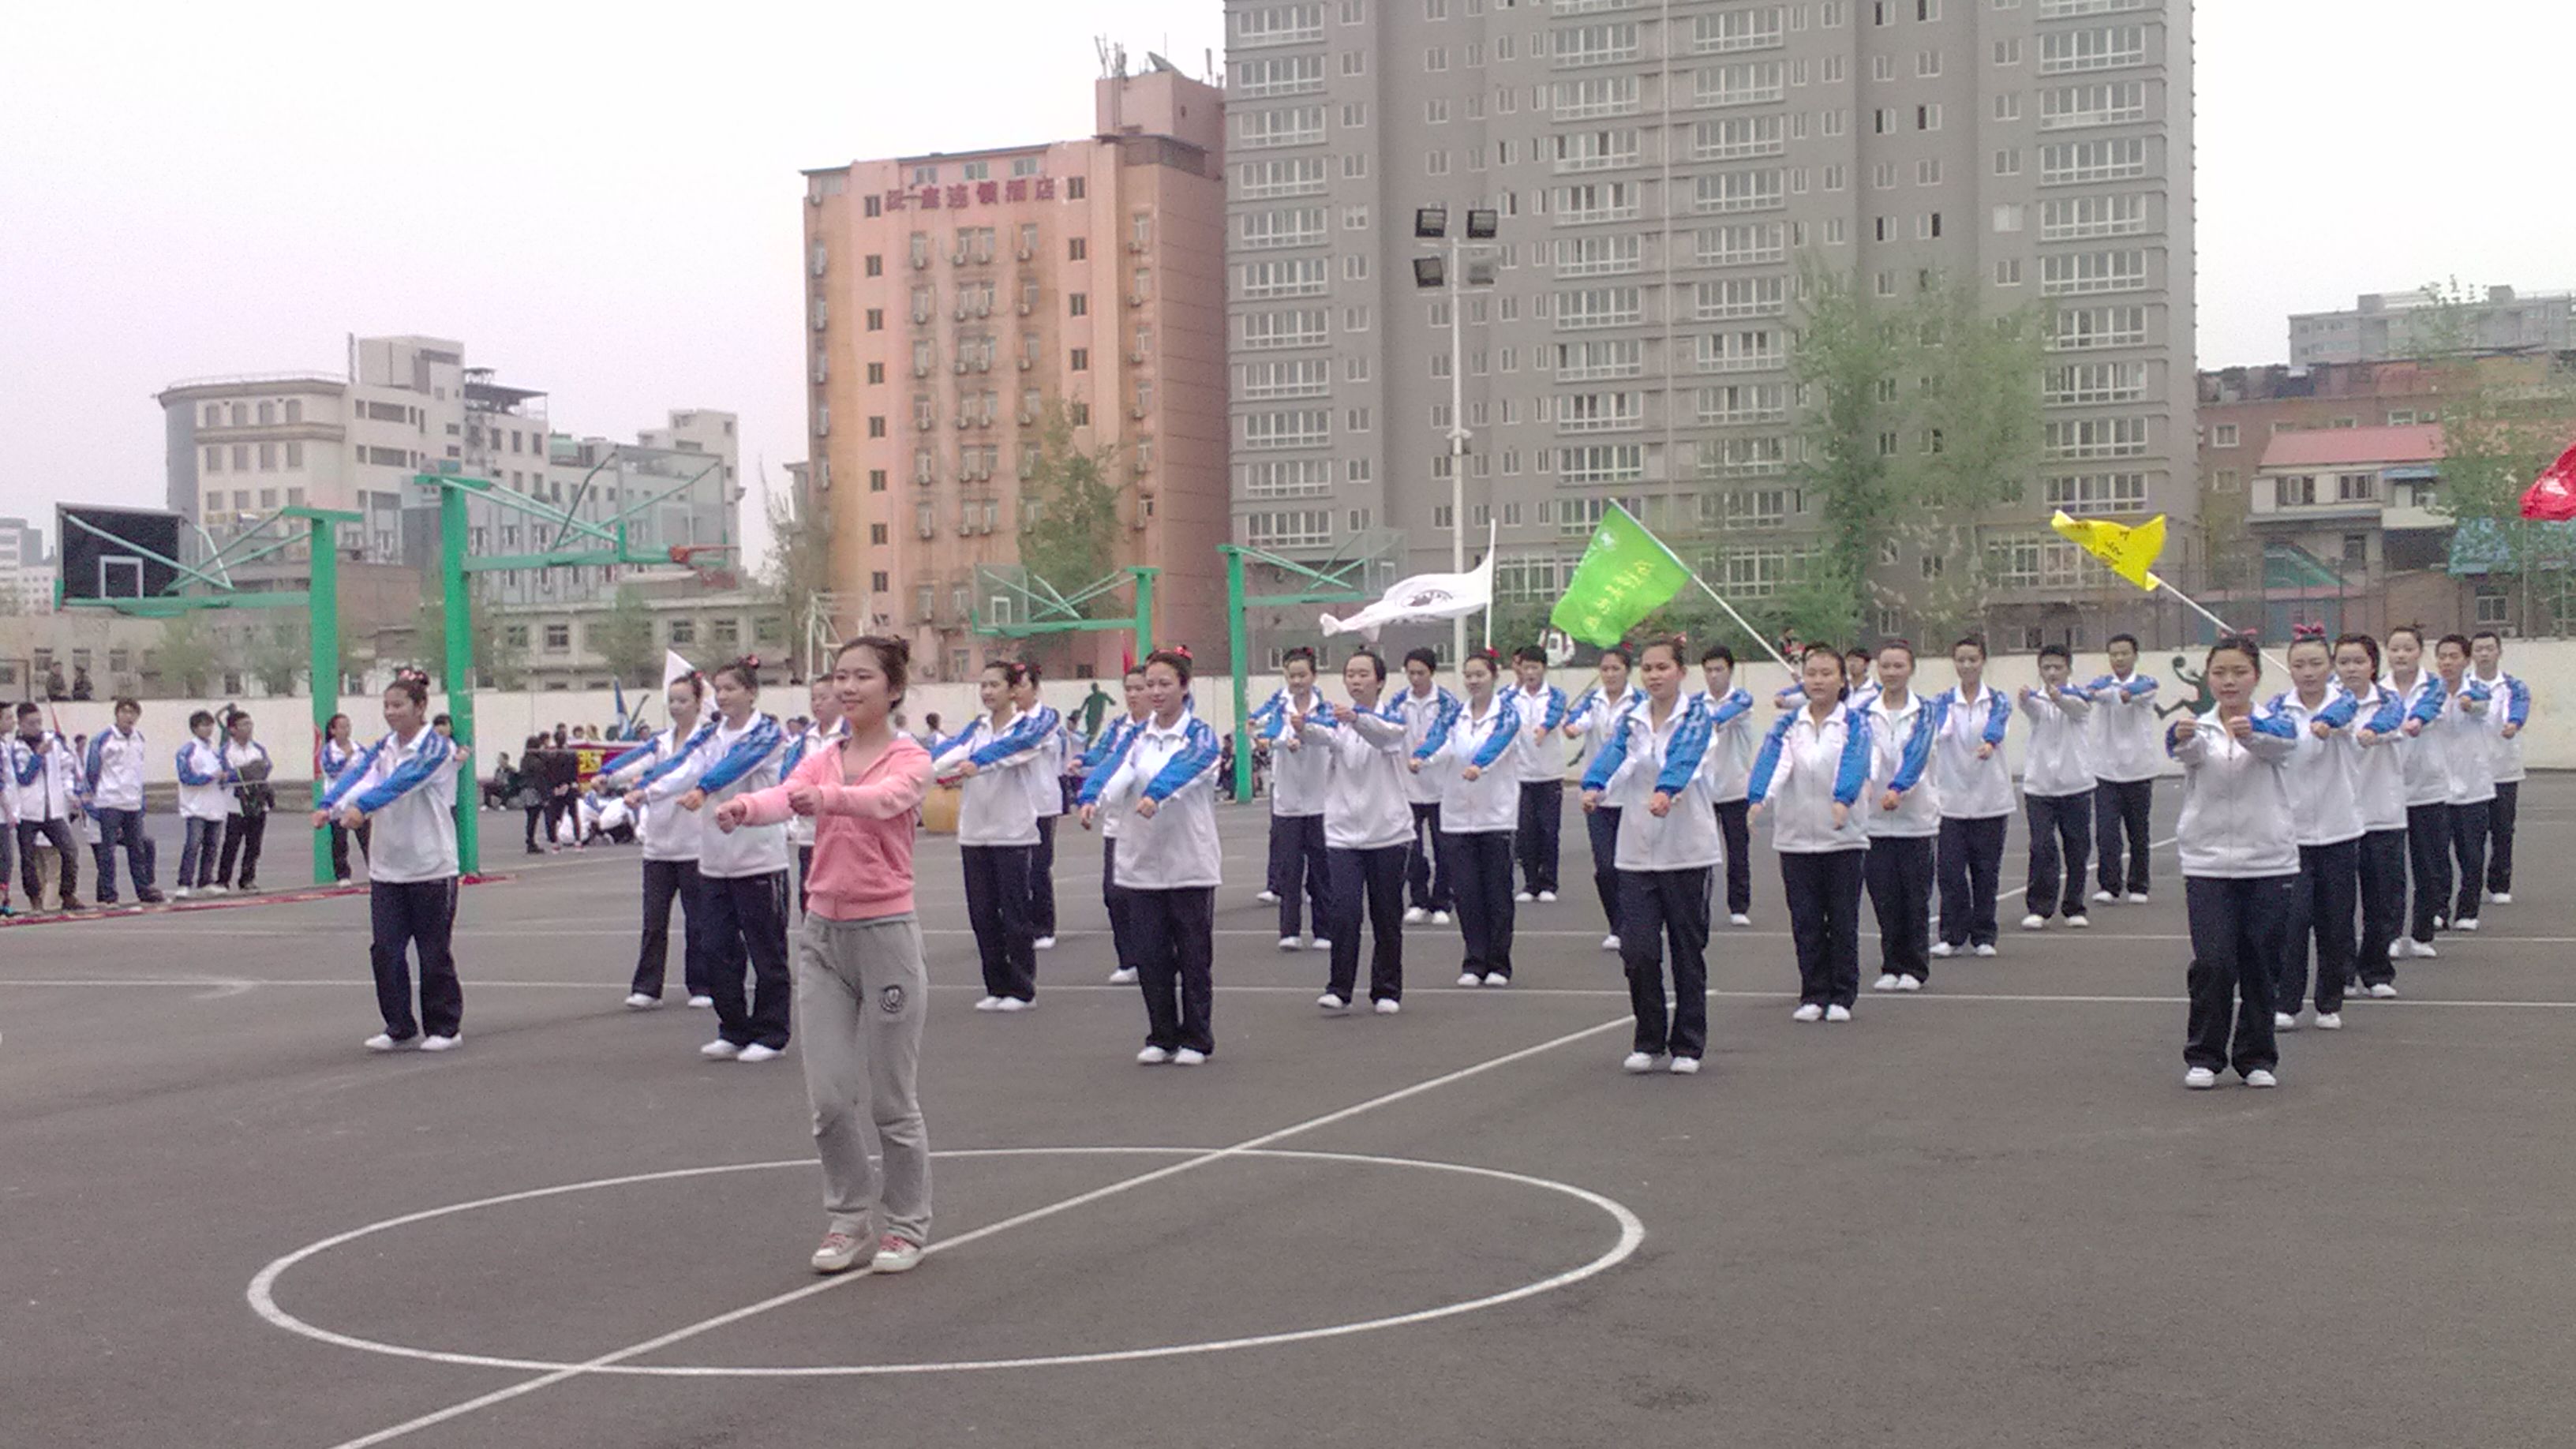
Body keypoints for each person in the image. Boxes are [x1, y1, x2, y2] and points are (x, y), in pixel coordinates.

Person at [716, 635, 934, 1277]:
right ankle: (848, 1216)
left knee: (892, 1100)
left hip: (886, 934)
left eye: (862, 677)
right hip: (822, 936)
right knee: (831, 1100)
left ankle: (906, 1224)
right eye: (840, 676)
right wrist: (744, 808)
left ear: (893, 688)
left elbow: (885, 800)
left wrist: (831, 798)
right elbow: (786, 796)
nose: (847, 687)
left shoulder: (910, 758)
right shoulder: (820, 757)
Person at [1582, 637, 1719, 1074]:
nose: (1655, 675)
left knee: (1686, 950)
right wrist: (1595, 786)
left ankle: (1688, 1044)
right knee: (1638, 951)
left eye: (1663, 667)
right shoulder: (1632, 719)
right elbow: (1615, 758)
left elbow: (1687, 760)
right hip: (1637, 852)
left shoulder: (1697, 717)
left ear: (1681, 672)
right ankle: (1648, 1038)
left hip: (1686, 851)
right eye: (1648, 668)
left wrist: (1667, 791)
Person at [1082, 648, 1223, 1065]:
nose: (1156, 692)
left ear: (1184, 686)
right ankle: (1162, 1035)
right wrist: (1092, 798)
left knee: (1193, 956)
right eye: (1150, 685)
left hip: (1188, 862)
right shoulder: (1135, 738)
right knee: (1151, 955)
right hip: (1140, 862)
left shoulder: (1201, 736)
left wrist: (1156, 795)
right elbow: (1115, 769)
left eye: (1165, 684)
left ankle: (1196, 1037)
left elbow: (1188, 767)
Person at [2167, 635, 2296, 1090]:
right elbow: (2183, 752)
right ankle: (2204, 1054)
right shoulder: (2197, 728)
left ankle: (2257, 1056)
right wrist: (2182, 737)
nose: (2229, 681)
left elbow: (2281, 746)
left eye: (2239, 672)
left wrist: (2251, 733)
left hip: (2268, 861)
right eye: (2220, 672)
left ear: (2256, 677)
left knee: (2261, 961)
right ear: (2208, 678)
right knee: (2214, 962)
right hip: (2207, 863)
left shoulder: (2276, 723)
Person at [315, 670, 465, 1053]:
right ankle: (399, 1024)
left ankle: (445, 1026)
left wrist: (362, 808)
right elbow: (359, 775)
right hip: (387, 866)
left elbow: (402, 782)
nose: (391, 712)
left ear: (420, 706)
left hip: (431, 866)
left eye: (398, 705)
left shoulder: (436, 748)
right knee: (385, 949)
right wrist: (331, 805)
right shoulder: (383, 747)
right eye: (386, 706)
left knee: (433, 951)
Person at [668, 658, 793, 1061]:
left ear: (751, 692)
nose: (722, 696)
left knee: (766, 951)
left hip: (759, 859)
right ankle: (733, 1028)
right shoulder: (709, 734)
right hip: (713, 859)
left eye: (730, 689)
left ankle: (771, 1033)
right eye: (718, 689)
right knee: (717, 949)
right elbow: (682, 766)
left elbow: (734, 767)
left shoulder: (768, 734)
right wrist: (640, 786)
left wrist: (703, 789)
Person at [1748, 644, 1871, 1022]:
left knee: (1842, 920)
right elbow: (1774, 762)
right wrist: (1759, 797)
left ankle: (1842, 995)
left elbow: (1855, 762)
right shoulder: (1787, 725)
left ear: (1842, 680)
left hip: (1843, 839)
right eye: (1811, 674)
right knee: (1806, 920)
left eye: (1826, 674)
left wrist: (1843, 799)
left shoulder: (1854, 723)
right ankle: (1814, 992)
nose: (1818, 681)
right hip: (1796, 838)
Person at [2266, 627, 2365, 1034]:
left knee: (2335, 923)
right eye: (2299, 665)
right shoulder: (2278, 709)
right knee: (2292, 923)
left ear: (2330, 667)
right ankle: (2286, 1002)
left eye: (2316, 664)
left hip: (2340, 830)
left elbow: (2345, 719)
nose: (2308, 672)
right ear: (2289, 669)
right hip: (2292, 835)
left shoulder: (2346, 704)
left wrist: (2327, 724)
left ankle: (2329, 1001)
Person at [599, 672, 713, 1009]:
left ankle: (702, 985)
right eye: (672, 701)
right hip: (659, 847)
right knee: (653, 921)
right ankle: (647, 987)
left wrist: (645, 791)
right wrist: (607, 775)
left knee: (698, 921)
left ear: (698, 703)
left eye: (683, 700)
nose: (676, 707)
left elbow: (682, 775)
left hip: (694, 845)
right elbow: (634, 760)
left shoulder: (705, 742)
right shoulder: (661, 742)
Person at [1412, 647, 1522, 987]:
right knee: (1467, 893)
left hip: (1495, 816)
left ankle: (1499, 963)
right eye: (1469, 675)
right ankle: (1474, 961)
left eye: (1480, 675)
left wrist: (1479, 766)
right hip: (1458, 815)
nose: (1474, 681)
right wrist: (1422, 757)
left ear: (1494, 676)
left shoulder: (1508, 714)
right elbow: (1440, 742)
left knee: (1497, 893)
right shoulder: (1455, 715)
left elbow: (1499, 745)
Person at [936, 661, 1043, 1011]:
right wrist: (917, 770)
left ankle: (1022, 989)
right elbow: (949, 754)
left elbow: (1010, 752)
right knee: (982, 915)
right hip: (974, 833)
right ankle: (996, 986)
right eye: (983, 685)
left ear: (1013, 690)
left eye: (994, 685)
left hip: (1012, 834)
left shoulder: (1027, 728)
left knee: (1015, 915)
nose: (987, 692)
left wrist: (977, 763)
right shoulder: (977, 728)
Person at [1313, 650, 1413, 1014]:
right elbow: (1320, 734)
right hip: (1344, 833)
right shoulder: (1336, 719)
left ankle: (1386, 989)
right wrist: (1300, 727)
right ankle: (1339, 987)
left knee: (1386, 915)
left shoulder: (1394, 715)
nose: (1355, 681)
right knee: (1344, 911)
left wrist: (1356, 719)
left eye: (1363, 674)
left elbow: (1386, 738)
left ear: (1380, 681)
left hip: (1387, 832)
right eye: (1350, 674)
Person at [1857, 642, 1940, 994]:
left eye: (1898, 666)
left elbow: (1917, 756)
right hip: (1874, 820)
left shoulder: (1927, 711)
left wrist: (1898, 789)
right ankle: (1891, 964)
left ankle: (1915, 967)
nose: (1891, 673)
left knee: (1914, 898)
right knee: (1884, 897)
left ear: (1911, 669)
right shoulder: (1863, 712)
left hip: (1916, 820)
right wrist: (1865, 787)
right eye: (1886, 666)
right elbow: (1862, 754)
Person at [1930, 635, 2014, 958]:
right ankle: (1952, 934)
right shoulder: (1942, 702)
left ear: (1983, 661)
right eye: (1961, 660)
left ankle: (1984, 935)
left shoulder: (1997, 700)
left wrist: (1989, 743)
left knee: (1985, 871)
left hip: (1989, 798)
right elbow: (1937, 731)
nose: (1966, 666)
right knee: (1950, 872)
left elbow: (1997, 727)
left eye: (1973, 660)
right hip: (1950, 799)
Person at [2336, 634, 2407, 998]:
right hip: (2338, 818)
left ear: (2373, 665)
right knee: (2338, 905)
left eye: (2358, 661)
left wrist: (2372, 732)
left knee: (2382, 901)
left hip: (2382, 814)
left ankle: (2377, 971)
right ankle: (2342, 973)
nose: (2351, 669)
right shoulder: (2327, 704)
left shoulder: (2389, 702)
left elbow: (2394, 724)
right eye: (2344, 662)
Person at [1249, 647, 1334, 950]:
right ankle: (1289, 931)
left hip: (1320, 799)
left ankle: (1324, 931)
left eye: (1302, 675)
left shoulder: (1325, 708)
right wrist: (1282, 740)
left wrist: (1305, 732)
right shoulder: (1278, 707)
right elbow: (1256, 727)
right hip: (1287, 801)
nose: (1297, 681)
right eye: (1292, 675)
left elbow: (1331, 734)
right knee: (1290, 869)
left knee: (1322, 869)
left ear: (1314, 676)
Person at [1075, 666, 1152, 987]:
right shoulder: (1119, 727)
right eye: (1128, 689)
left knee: (1146, 895)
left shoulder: (1157, 729)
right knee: (1114, 894)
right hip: (1115, 823)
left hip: (1147, 822)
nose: (1133, 695)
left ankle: (1154, 956)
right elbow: (1102, 755)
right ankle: (1128, 959)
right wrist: (1083, 762)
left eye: (1139, 688)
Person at [2417, 634, 2496, 936]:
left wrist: (2470, 705)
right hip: (2438, 787)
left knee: (2471, 855)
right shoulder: (2429, 693)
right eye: (2442, 657)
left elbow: (2482, 706)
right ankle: (2439, 909)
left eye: (2454, 657)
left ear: (2466, 660)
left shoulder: (2477, 690)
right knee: (2436, 856)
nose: (2447, 662)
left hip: (2473, 786)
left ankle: (2468, 910)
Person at [1563, 646, 1640, 952]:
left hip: (1630, 794)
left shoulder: (1639, 703)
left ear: (1627, 671)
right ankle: (1617, 924)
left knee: (1630, 866)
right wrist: (1572, 728)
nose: (1610, 674)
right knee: (1605, 866)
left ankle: (1634, 923)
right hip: (1596, 796)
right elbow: (1577, 721)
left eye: (1615, 669)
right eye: (1605, 669)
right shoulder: (1592, 701)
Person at [2016, 646, 2095, 931]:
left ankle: (2074, 906)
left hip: (2076, 785)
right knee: (2041, 846)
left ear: (2068, 669)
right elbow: (2031, 709)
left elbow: (2077, 709)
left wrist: (2058, 697)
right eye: (2046, 667)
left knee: (2077, 848)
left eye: (2057, 667)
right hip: (2040, 787)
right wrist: (2026, 699)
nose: (2051, 673)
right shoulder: (2037, 699)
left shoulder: (2079, 697)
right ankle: (2039, 908)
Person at [2383, 625, 2448, 957]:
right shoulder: (2379, 689)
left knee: (2429, 866)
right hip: (2387, 790)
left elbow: (2429, 708)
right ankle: (2390, 935)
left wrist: (2416, 721)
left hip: (2427, 788)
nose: (2401, 655)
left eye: (2408, 648)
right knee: (2390, 871)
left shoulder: (2435, 685)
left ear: (2420, 652)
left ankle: (2422, 934)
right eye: (2395, 649)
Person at [2086, 634, 2161, 905]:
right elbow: (2090, 693)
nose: (2118, 659)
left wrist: (2115, 694)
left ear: (2135, 656)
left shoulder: (2147, 684)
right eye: (2114, 654)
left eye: (2124, 653)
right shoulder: (2101, 683)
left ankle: (2139, 884)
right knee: (2107, 832)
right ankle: (2109, 885)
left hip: (2139, 770)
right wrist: (2098, 692)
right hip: (2106, 770)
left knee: (2138, 832)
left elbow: (2135, 694)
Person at [1393, 647, 1459, 926]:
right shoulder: (1399, 702)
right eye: (1411, 673)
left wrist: (1427, 758)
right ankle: (1418, 899)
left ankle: (1442, 900)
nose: (1415, 678)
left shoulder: (1447, 703)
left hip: (1441, 787)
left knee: (1444, 847)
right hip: (1408, 788)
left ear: (1432, 672)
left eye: (1421, 673)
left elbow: (1451, 741)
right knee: (1412, 848)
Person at [1694, 646, 1758, 928]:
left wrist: (1710, 721)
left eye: (1719, 669)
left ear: (1730, 670)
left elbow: (1730, 713)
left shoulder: (1741, 700)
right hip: (1704, 790)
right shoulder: (1697, 703)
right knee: (1699, 851)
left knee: (1737, 851)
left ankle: (1739, 905)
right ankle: (1697, 904)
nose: (1714, 676)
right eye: (1709, 670)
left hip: (1735, 789)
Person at [1503, 645, 1571, 903]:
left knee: (1548, 831)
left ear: (1544, 669)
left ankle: (1549, 883)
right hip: (1520, 774)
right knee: (1526, 832)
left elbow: (1554, 714)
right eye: (1526, 668)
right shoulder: (1510, 698)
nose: (1530, 673)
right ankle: (1531, 883)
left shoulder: (1555, 695)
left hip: (1549, 774)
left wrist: (1544, 728)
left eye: (1535, 668)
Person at [2468, 631, 2529, 906]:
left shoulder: (2513, 686)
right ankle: (2471, 885)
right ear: (2472, 654)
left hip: (2505, 769)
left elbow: (2520, 707)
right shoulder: (2465, 687)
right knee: (2472, 834)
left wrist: (2514, 723)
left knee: (2503, 830)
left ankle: (2500, 883)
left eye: (2489, 648)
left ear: (2499, 652)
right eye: (2479, 649)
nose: (2484, 654)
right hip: (2472, 769)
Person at [8, 702, 88, 911]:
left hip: (53, 810)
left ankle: (68, 893)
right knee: (28, 858)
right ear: (21, 724)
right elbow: (24, 778)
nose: (36, 727)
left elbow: (67, 768)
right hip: (28, 811)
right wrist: (38, 756)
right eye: (31, 723)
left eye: (39, 722)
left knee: (70, 850)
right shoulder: (16, 748)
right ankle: (35, 897)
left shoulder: (53, 742)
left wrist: (71, 793)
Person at [83, 698, 162, 905]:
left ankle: (143, 889)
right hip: (110, 801)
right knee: (107, 851)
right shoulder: (103, 738)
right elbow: (92, 770)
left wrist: (140, 799)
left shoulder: (138, 738)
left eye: (133, 713)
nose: (129, 717)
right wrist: (93, 797)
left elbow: (137, 770)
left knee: (137, 849)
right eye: (125, 712)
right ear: (117, 714)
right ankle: (109, 894)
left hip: (132, 801)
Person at [781, 676, 848, 912]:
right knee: (808, 896)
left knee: (840, 897)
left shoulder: (850, 734)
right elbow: (789, 775)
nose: (817, 703)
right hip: (809, 832)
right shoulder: (805, 738)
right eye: (813, 698)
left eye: (824, 698)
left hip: (842, 831)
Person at [173, 710, 231, 898]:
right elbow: (186, 777)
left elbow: (224, 774)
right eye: (204, 725)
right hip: (195, 807)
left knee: (212, 845)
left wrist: (224, 777)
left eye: (210, 725)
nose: (208, 729)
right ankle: (184, 882)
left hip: (215, 805)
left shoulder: (215, 752)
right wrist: (209, 777)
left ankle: (206, 880)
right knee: (193, 844)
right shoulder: (187, 751)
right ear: (195, 728)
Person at [215, 710, 274, 893]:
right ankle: (223, 880)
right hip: (236, 805)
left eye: (250, 724)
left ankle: (248, 879)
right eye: (244, 724)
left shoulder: (258, 749)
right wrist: (248, 771)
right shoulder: (226, 751)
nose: (249, 728)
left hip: (258, 803)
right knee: (231, 844)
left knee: (254, 844)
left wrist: (245, 771)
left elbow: (265, 768)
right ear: (233, 729)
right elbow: (227, 775)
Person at [518, 735, 553, 854]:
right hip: (534, 791)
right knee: (533, 818)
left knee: (530, 817)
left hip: (525, 790)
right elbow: (540, 780)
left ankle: (530, 840)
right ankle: (531, 842)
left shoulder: (524, 760)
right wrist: (545, 796)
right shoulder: (537, 762)